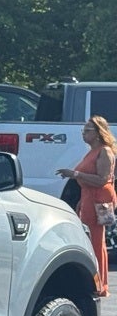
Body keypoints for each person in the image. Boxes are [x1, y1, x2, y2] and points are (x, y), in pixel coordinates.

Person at [57, 115, 117, 297]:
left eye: (88, 130)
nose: (84, 134)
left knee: (96, 241)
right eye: (83, 130)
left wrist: (74, 174)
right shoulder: (91, 151)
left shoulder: (104, 151)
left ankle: (100, 285)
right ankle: (96, 281)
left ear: (99, 133)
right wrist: (82, 201)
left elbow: (102, 179)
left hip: (99, 198)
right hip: (89, 197)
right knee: (91, 239)